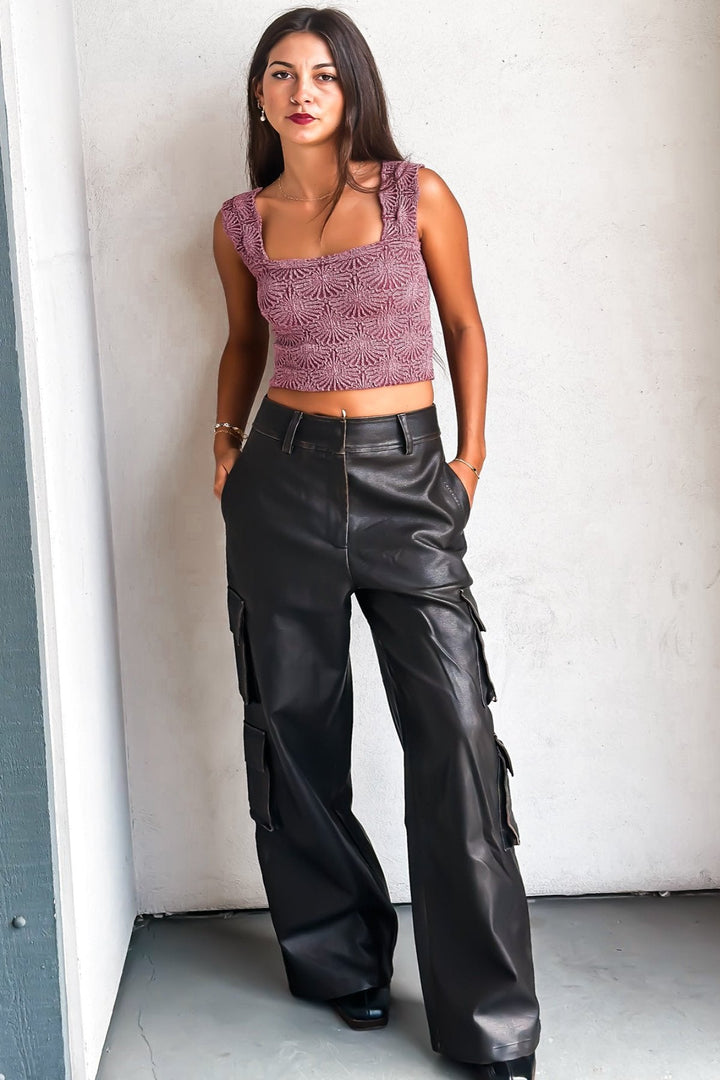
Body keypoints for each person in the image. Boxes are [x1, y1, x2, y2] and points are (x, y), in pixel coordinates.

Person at [212, 8, 541, 1078]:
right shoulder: (242, 222)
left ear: (353, 87)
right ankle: (341, 964)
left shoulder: (412, 193)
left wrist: (471, 460)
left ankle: (489, 1020)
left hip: (409, 476)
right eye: (280, 73)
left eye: (322, 73)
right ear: (261, 96)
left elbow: (465, 326)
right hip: (281, 481)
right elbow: (243, 341)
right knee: (295, 727)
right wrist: (226, 447)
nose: (301, 90)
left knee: (453, 737)